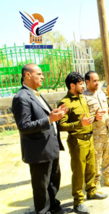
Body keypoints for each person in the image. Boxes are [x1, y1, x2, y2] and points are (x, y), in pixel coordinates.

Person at [12, 64, 68, 214]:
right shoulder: (21, 97)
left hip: (50, 146)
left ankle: (54, 207)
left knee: (53, 182)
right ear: (28, 75)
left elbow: (43, 116)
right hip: (38, 151)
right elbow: (24, 126)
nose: (43, 76)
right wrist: (49, 119)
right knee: (41, 187)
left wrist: (54, 114)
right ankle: (43, 211)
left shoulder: (36, 93)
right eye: (39, 73)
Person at [59, 72, 108, 214]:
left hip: (89, 137)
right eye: (80, 83)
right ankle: (78, 202)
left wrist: (96, 117)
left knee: (91, 168)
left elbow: (87, 118)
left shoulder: (82, 98)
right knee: (79, 173)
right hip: (77, 141)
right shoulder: (65, 103)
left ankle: (91, 191)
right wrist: (79, 123)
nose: (82, 86)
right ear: (72, 85)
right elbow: (61, 126)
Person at [83, 71, 109, 189]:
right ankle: (96, 183)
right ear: (87, 82)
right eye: (94, 81)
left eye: (98, 80)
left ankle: (108, 178)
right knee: (96, 159)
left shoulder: (101, 93)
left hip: (107, 130)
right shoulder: (84, 97)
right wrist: (95, 118)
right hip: (95, 133)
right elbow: (84, 117)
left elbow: (104, 109)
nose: (97, 83)